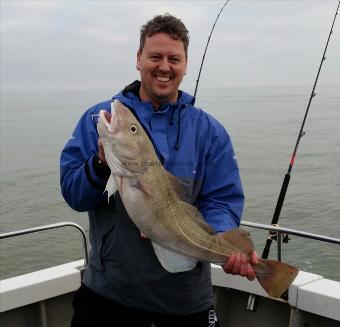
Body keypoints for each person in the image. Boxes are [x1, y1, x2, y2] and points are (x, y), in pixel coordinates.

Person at [60, 13, 258, 327]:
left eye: (173, 58)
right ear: (138, 59)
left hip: (185, 301)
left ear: (185, 64)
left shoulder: (211, 131)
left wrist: (224, 242)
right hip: (109, 293)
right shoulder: (100, 119)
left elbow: (221, 200)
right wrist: (100, 165)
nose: (164, 66)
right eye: (155, 56)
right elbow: (73, 194)